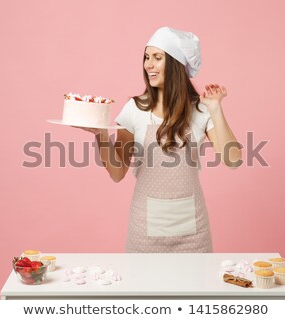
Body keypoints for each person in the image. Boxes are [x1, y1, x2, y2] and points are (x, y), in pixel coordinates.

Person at [77, 26, 241, 253]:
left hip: (193, 232)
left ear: (175, 63)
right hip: (144, 230)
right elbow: (117, 173)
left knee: (194, 288)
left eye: (157, 58)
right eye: (146, 57)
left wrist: (215, 109)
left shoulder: (201, 109)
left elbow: (233, 160)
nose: (148, 65)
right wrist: (101, 135)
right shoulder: (134, 109)